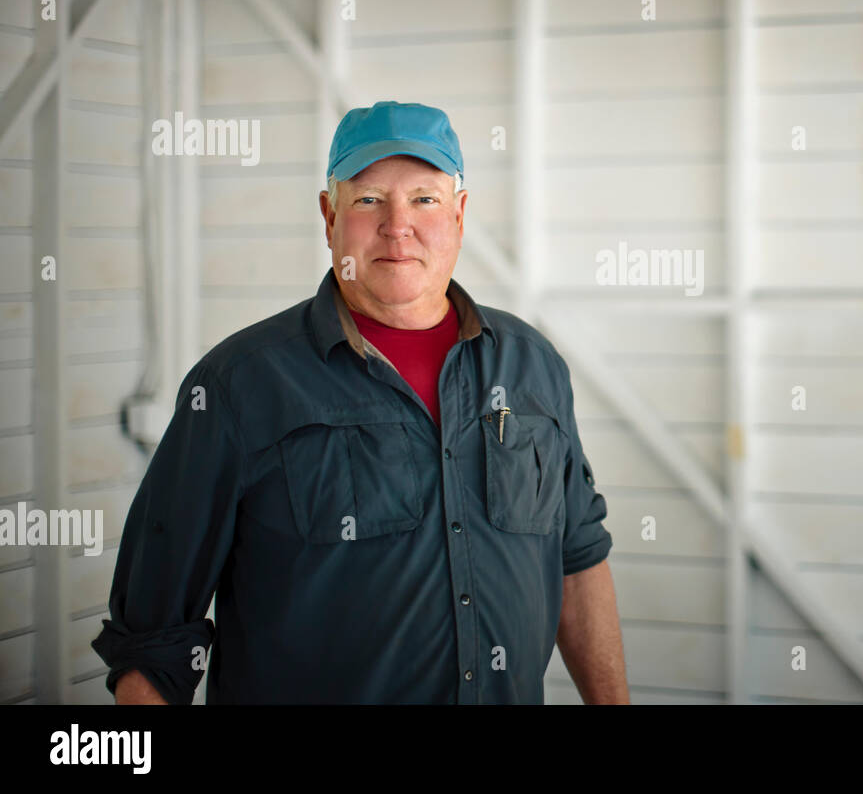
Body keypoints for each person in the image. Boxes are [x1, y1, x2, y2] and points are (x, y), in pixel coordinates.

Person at [92, 101, 628, 704]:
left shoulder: (533, 367)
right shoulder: (236, 387)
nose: (398, 225)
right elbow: (150, 641)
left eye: (424, 199)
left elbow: (577, 560)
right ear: (329, 216)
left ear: (459, 213)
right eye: (369, 199)